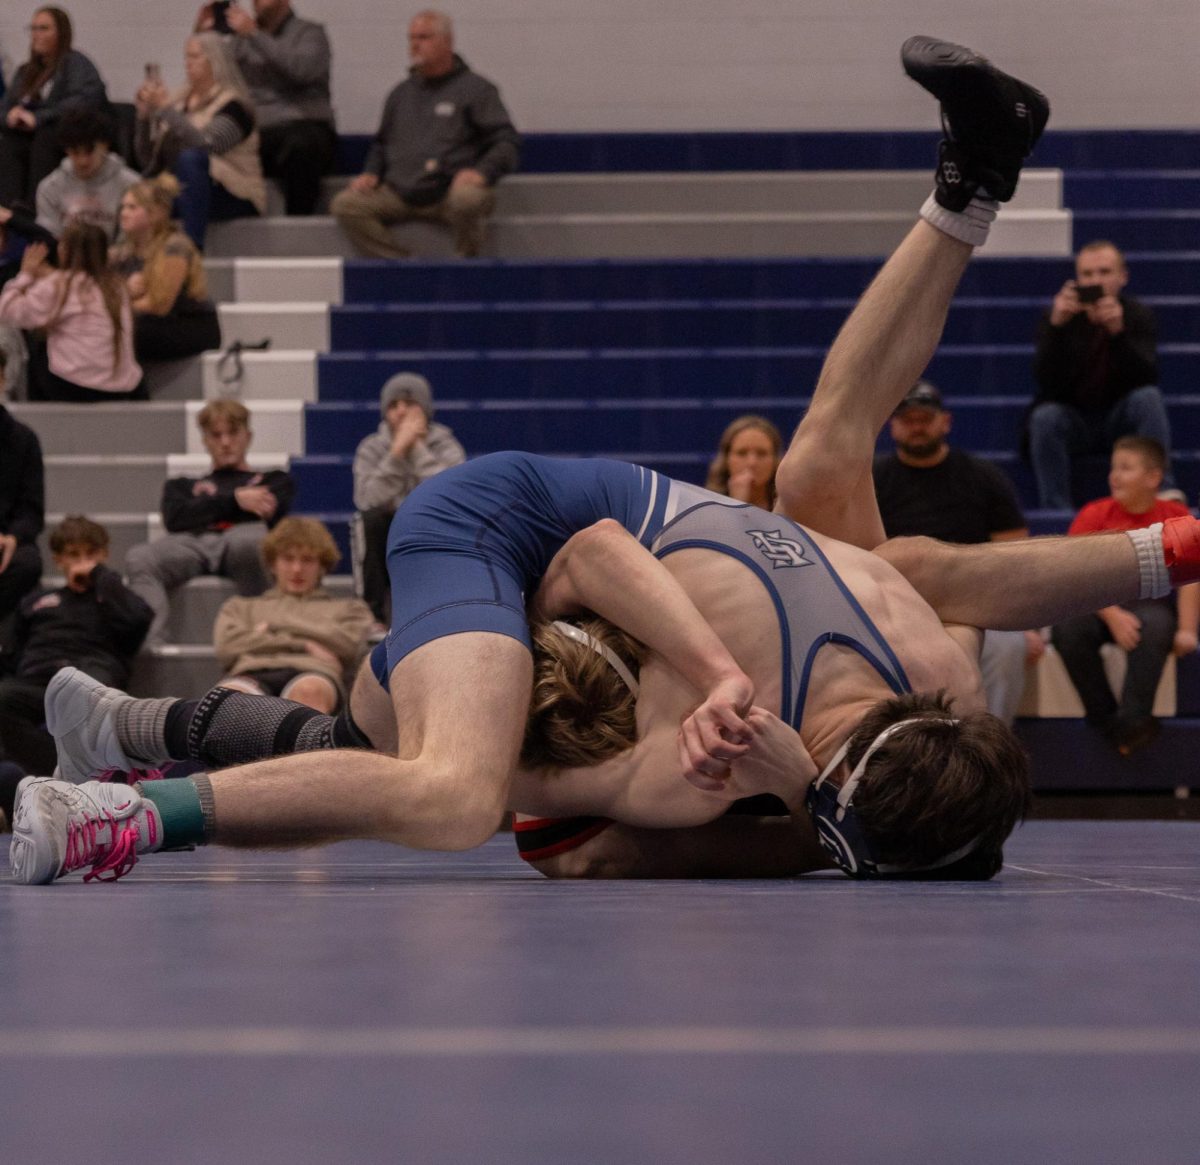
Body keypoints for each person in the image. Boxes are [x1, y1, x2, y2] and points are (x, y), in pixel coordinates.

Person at [23, 37, 1200, 888]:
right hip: (506, 527)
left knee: (823, 470)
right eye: (819, 823)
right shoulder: (733, 700)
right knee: (448, 791)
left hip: (596, 559)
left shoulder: (928, 657)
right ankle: (105, 817)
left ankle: (970, 193)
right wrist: (674, 739)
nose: (799, 834)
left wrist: (1158, 557)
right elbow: (565, 802)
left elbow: (949, 575)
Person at [872, 380, 1043, 724]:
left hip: (976, 605)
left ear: (945, 422)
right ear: (892, 425)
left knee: (1009, 647)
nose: (918, 426)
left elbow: (1015, 556)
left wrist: (1027, 625)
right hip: (895, 605)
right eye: (908, 419)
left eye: (926, 418)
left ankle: (987, 752)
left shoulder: (984, 478)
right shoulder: (872, 480)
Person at [330, 10, 520, 259]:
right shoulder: (400, 94)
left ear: (447, 42)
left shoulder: (476, 89)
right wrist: (371, 173)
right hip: (400, 191)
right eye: (411, 39)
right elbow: (381, 144)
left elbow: (506, 141)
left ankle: (467, 263)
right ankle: (403, 266)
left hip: (449, 191)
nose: (415, 45)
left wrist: (482, 172)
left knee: (468, 200)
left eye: (424, 37)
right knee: (347, 204)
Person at [1050, 437, 1198, 756]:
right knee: (1069, 630)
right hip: (1097, 602)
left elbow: (1190, 579)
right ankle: (1109, 721)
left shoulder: (1175, 514)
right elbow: (1075, 575)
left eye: (1126, 468)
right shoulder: (1094, 514)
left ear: (1153, 478)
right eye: (1114, 467)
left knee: (1156, 626)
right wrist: (1113, 614)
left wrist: (1188, 630)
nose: (1114, 476)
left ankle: (1133, 718)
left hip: (1151, 602)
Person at [123, 399, 295, 651]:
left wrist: (205, 509)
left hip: (243, 543)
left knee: (249, 543)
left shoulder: (274, 479)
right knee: (139, 557)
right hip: (192, 545)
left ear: (247, 436)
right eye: (216, 435)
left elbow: (270, 511)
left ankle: (262, 640)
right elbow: (175, 519)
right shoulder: (181, 485)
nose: (225, 442)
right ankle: (151, 649)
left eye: (233, 433)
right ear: (205, 440)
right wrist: (237, 501)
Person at [0, 515, 151, 775]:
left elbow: (138, 620)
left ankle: (74, 775)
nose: (82, 561)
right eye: (73, 554)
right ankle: (60, 771)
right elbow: (13, 653)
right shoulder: (38, 601)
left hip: (90, 677)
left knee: (97, 700)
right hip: (38, 679)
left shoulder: (114, 599)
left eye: (91, 554)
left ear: (104, 554)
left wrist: (99, 575)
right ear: (58, 560)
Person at [1028, 241, 1175, 509]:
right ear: (1077, 279)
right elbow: (1045, 383)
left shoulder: (1137, 314)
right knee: (1045, 417)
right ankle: (1055, 510)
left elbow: (1147, 376)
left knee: (1148, 398)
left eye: (1105, 272)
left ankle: (1164, 492)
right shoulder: (1058, 318)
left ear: (1123, 277)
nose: (1096, 280)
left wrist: (1118, 333)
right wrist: (1056, 329)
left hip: (1121, 420)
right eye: (1087, 274)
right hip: (1075, 419)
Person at [214, 516, 372, 713]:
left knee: (310, 691)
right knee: (229, 697)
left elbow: (347, 647)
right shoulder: (240, 607)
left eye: (307, 560)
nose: (297, 569)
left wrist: (268, 629)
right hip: (252, 671)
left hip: (314, 672)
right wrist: (305, 644)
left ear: (322, 566)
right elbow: (227, 648)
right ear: (272, 564)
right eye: (288, 559)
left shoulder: (350, 609)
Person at [194, 0, 336, 216]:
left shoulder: (310, 33)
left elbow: (302, 70)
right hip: (258, 132)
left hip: (302, 126)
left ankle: (298, 226)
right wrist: (203, 35)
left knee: (301, 145)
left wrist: (254, 34)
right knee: (209, 142)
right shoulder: (239, 40)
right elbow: (213, 76)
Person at [135, 32, 267, 250]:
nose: (188, 63)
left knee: (190, 160)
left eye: (195, 57)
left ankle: (192, 249)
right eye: (186, 57)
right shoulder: (178, 102)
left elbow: (208, 145)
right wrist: (143, 118)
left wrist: (166, 111)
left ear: (215, 60)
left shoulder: (235, 106)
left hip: (233, 191)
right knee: (136, 194)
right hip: (183, 188)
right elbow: (148, 161)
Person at [352, 372, 465, 625]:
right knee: (367, 520)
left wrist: (415, 449)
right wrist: (396, 453)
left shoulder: (447, 445)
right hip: (386, 530)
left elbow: (451, 497)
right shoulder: (371, 448)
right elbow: (366, 500)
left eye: (409, 403)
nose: (401, 411)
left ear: (425, 409)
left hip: (432, 525)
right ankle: (373, 615)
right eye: (393, 405)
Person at [0, 222, 143, 402]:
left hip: (73, 386)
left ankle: (37, 413)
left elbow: (6, 311)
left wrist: (25, 274)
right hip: (120, 388)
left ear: (65, 250)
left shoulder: (58, 286)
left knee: (37, 343)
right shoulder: (117, 287)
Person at [0, 7, 107, 209]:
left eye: (43, 28)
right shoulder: (26, 71)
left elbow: (84, 101)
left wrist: (38, 117)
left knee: (44, 138)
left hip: (58, 134)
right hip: (26, 135)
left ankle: (36, 208)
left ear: (61, 32)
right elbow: (5, 106)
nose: (36, 35)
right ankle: (7, 211)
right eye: (33, 29)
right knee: (9, 142)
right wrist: (9, 116)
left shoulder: (77, 64)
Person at [109, 175, 223, 362]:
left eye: (132, 207)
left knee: (126, 329)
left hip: (189, 325)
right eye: (123, 207)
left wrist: (116, 304)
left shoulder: (175, 247)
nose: (123, 213)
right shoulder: (122, 252)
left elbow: (159, 304)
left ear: (155, 213)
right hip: (153, 322)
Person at [33, 107, 138, 239]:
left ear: (105, 145)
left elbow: (132, 242)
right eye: (75, 152)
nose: (83, 161)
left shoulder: (132, 185)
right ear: (66, 150)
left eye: (89, 151)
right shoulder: (50, 188)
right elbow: (49, 238)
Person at [0, 348, 44, 630]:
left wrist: (13, 537)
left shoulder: (22, 439)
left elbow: (32, 510)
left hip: (3, 541)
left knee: (27, 564)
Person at [705, 414, 782, 510]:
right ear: (726, 459)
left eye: (762, 453)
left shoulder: (789, 508)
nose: (752, 463)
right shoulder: (707, 507)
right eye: (742, 453)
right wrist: (737, 503)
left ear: (775, 460)